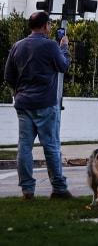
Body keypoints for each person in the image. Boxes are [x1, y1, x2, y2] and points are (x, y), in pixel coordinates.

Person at [4, 11, 73, 200]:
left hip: (23, 103)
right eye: (50, 25)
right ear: (44, 25)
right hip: (45, 103)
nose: (51, 28)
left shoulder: (17, 46)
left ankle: (27, 191)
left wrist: (18, 92)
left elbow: (8, 76)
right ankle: (59, 189)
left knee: (24, 146)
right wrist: (64, 48)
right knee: (50, 146)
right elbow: (64, 66)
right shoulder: (51, 45)